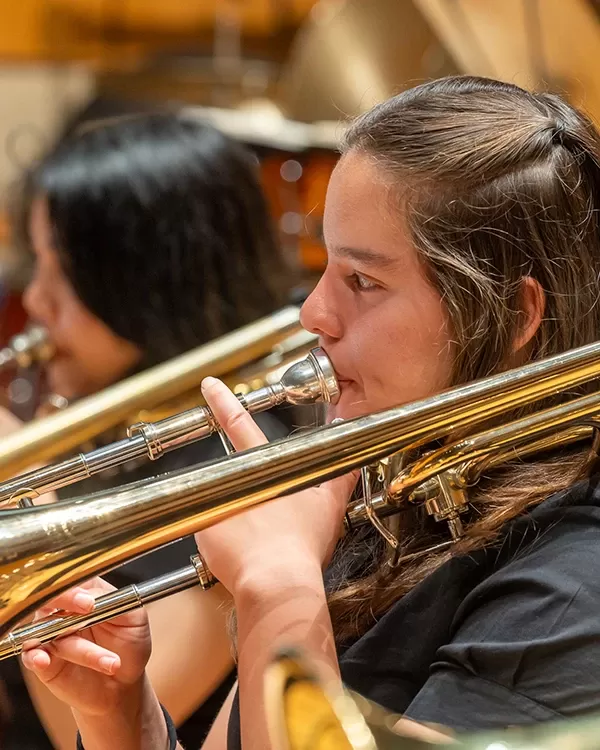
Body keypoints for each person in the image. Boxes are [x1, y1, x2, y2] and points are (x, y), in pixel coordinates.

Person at [19, 75, 600, 750]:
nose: (312, 313)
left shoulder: (571, 586)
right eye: (326, 268)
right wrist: (122, 719)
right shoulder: (391, 498)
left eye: (362, 281)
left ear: (513, 314)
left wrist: (276, 585)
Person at [1, 111, 293, 749]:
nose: (38, 301)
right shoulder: (97, 415)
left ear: (148, 279)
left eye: (63, 270)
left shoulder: (232, 453)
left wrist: (20, 479)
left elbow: (83, 718)